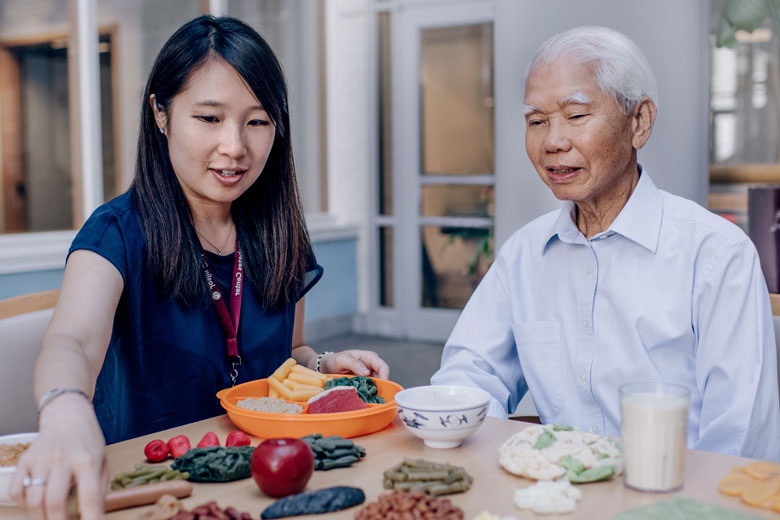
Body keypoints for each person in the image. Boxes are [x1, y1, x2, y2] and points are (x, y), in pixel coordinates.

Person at [11, 15, 389, 518]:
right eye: (209, 118)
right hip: (154, 490)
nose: (234, 146)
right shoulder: (116, 233)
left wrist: (323, 365)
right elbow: (72, 340)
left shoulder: (279, 233)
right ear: (161, 114)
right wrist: (63, 406)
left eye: (257, 122)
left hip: (264, 483)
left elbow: (289, 351)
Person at [431, 26, 780, 461]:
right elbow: (471, 373)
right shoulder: (525, 255)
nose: (553, 142)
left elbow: (740, 435)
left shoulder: (715, 255)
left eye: (576, 116)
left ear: (639, 121)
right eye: (536, 121)